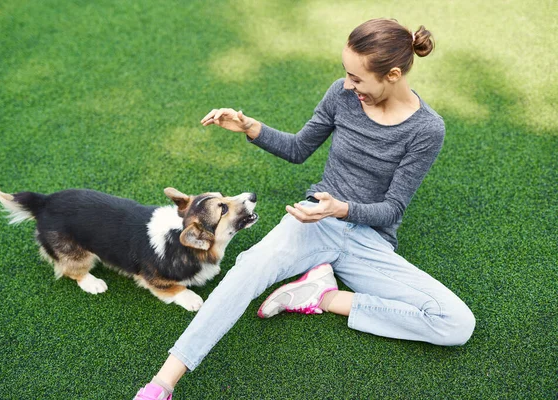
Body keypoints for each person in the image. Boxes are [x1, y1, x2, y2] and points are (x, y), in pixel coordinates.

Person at [134, 18, 476, 400]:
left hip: (368, 240)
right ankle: (161, 384)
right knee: (247, 271)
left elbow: (392, 209)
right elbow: (299, 149)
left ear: (393, 74)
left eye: (357, 79)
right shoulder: (341, 95)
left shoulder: (427, 129)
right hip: (311, 221)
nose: (349, 85)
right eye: (346, 75)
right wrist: (250, 127)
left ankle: (321, 296)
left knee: (457, 324)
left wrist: (341, 209)